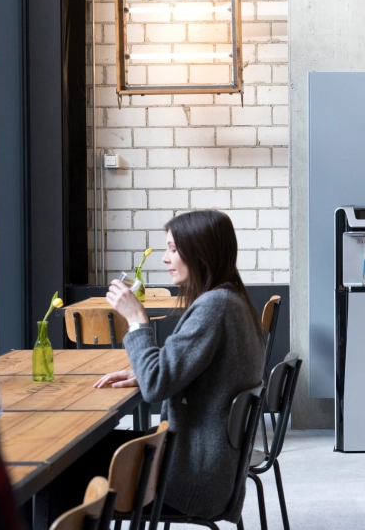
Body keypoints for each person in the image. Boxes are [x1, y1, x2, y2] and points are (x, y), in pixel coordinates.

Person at [93, 210, 266, 523]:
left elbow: (156, 387)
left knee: (68, 470)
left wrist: (136, 319)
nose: (164, 258)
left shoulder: (214, 306)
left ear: (200, 252)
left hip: (192, 477)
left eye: (173, 249)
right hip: (213, 470)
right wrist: (143, 370)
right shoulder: (233, 300)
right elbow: (195, 372)